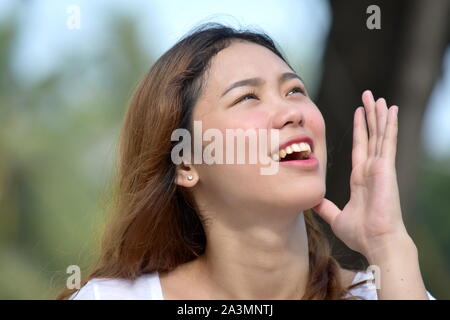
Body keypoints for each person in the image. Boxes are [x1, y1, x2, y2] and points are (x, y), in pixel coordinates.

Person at [59, 23, 436, 300]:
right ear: (186, 162)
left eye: (295, 90)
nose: (292, 112)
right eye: (248, 98)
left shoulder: (389, 289)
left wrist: (388, 244)